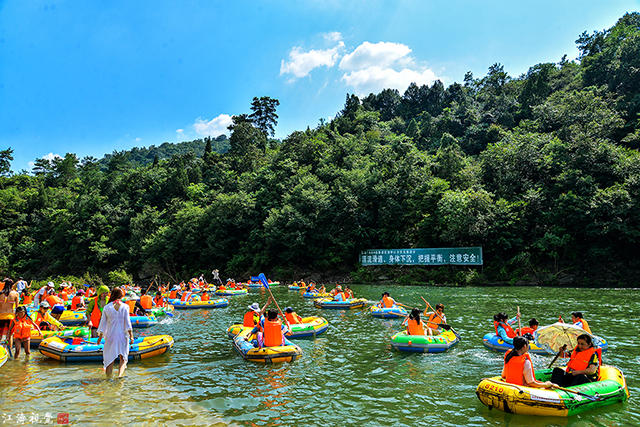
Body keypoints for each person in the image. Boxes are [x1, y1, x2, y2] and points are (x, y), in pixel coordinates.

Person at [96, 287, 134, 378]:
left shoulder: (106, 307)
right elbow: (128, 323)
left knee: (109, 359)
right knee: (123, 358)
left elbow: (103, 324)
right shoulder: (125, 307)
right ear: (121, 296)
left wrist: (100, 337)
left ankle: (108, 379)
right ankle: (120, 376)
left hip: (110, 336)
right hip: (122, 335)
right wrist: (131, 336)